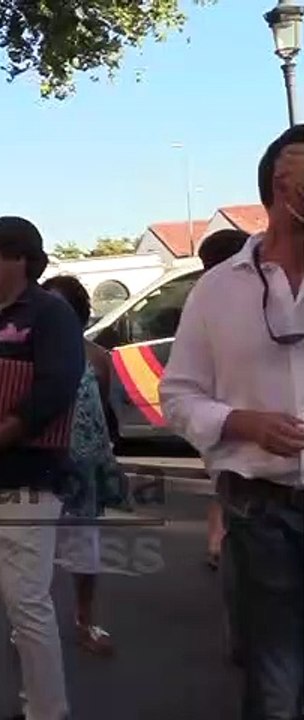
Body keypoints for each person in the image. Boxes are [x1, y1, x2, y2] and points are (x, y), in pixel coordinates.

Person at [161, 127, 304, 719]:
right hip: (261, 509)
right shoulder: (218, 290)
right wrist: (241, 422)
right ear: (281, 186)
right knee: (275, 682)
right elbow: (179, 394)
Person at [0, 217, 84, 720]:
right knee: (15, 599)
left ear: (18, 259)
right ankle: (37, 703)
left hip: (27, 475)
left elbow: (54, 387)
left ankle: (48, 710)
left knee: (27, 600)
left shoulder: (49, 314)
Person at [39, 276, 126, 657]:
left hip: (84, 469)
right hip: (39, 467)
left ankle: (85, 619)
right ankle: (29, 624)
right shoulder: (31, 354)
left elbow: (101, 410)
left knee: (86, 550)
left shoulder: (97, 357)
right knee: (32, 551)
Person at [193, 228, 252, 572]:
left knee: (224, 481)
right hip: (238, 418)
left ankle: (219, 541)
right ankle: (221, 542)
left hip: (223, 416)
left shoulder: (206, 297)